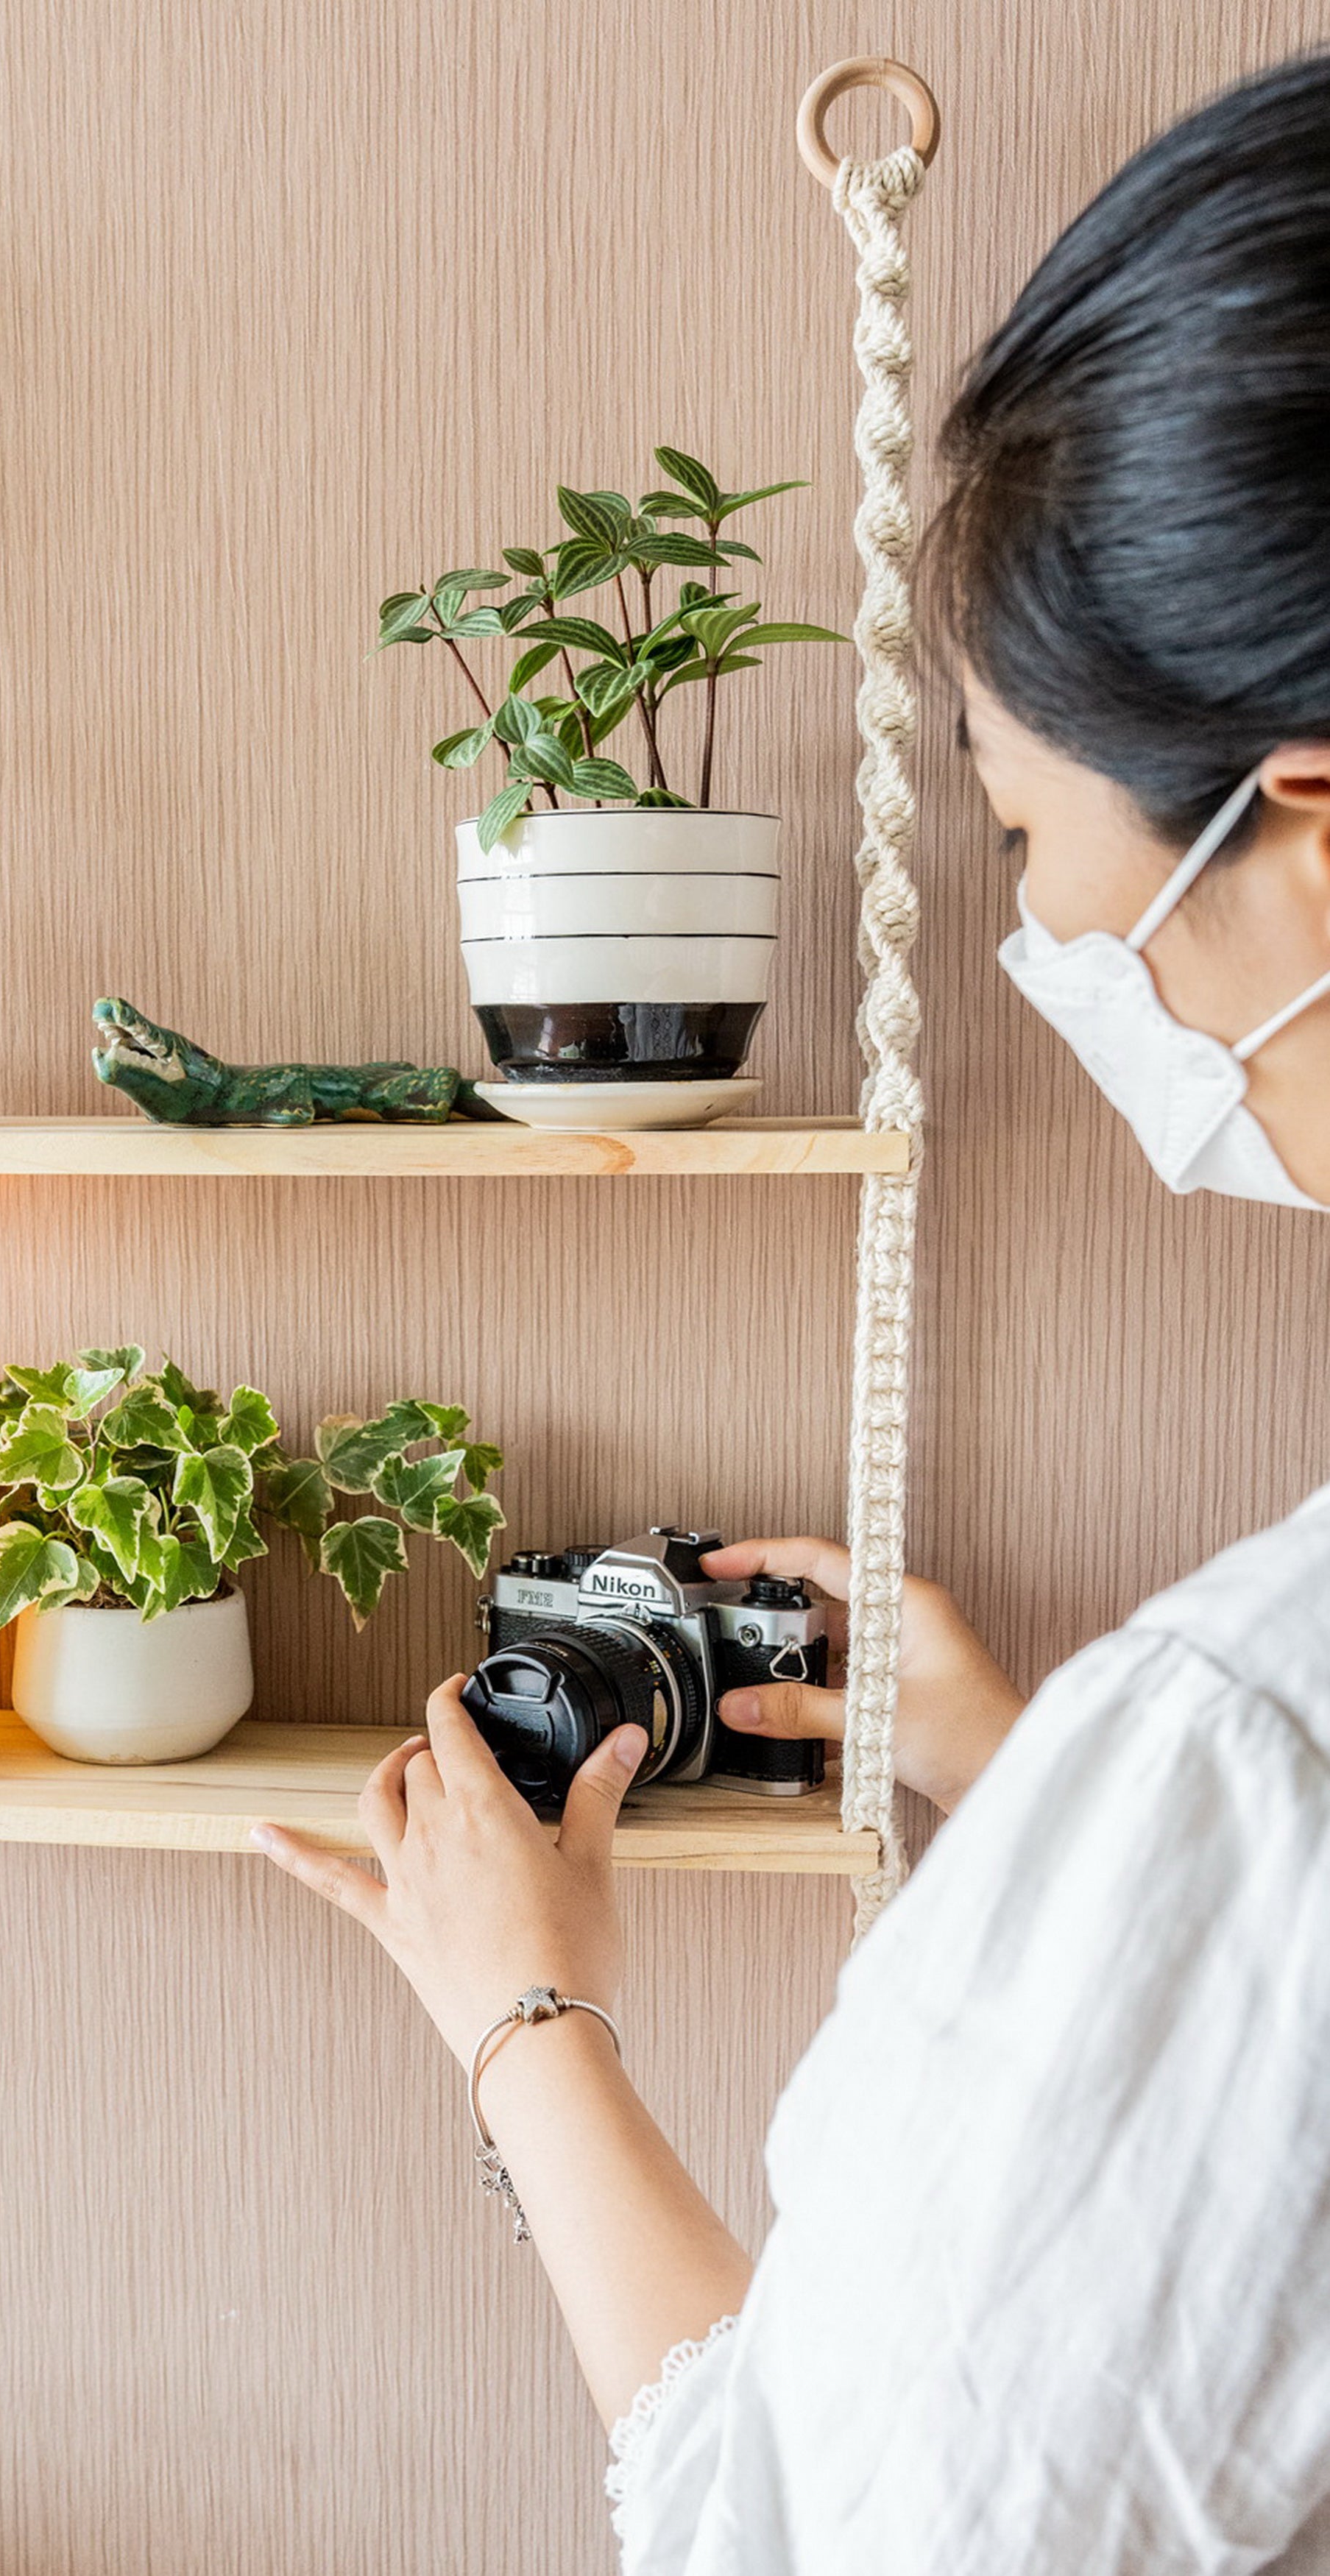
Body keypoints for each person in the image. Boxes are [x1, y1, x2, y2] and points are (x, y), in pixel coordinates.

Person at [252, 52, 1330, 2573]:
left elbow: (810, 2535)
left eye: (1036, 837)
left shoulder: (1250, 1745)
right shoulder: (1225, 1759)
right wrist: (1062, 1776)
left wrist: (526, 2018)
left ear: (1298, 817)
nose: (1049, 940)